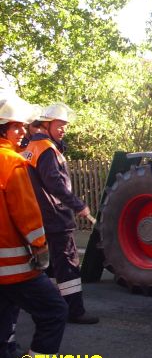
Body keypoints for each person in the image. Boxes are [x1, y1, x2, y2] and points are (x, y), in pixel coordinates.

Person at [0, 95, 68, 358]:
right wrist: (40, 248)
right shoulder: (11, 163)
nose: (22, 132)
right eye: (16, 127)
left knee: (1, 332)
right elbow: (27, 214)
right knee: (54, 312)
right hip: (14, 269)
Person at [21, 102, 99, 324]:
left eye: (65, 125)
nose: (64, 129)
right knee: (68, 266)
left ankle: (46, 308)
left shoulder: (28, 150)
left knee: (45, 266)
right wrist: (78, 205)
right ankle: (75, 312)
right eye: (60, 125)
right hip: (56, 218)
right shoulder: (47, 149)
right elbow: (55, 184)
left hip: (38, 218)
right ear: (46, 124)